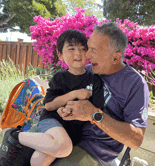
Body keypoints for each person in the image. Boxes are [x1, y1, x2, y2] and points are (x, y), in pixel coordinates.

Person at [0, 29, 104, 166]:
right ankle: (14, 136)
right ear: (60, 55)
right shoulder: (60, 77)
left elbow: (97, 109)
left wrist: (72, 111)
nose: (78, 53)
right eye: (71, 49)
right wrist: (73, 94)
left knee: (41, 159)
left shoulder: (95, 80)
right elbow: (49, 105)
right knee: (64, 148)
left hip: (73, 130)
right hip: (51, 120)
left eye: (82, 49)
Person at [51, 22, 149, 166]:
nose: (87, 55)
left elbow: (136, 141)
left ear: (115, 58)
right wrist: (63, 108)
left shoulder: (135, 84)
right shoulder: (86, 71)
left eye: (94, 51)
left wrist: (94, 114)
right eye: (88, 48)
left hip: (94, 151)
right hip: (67, 135)